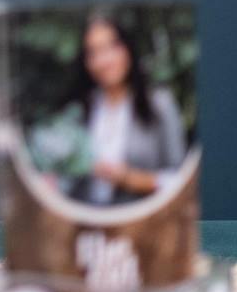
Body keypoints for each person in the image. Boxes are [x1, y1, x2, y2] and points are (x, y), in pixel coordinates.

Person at [60, 16, 187, 207]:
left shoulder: (159, 104)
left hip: (140, 224)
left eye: (111, 46)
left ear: (127, 49)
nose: (104, 60)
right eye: (93, 53)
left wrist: (129, 178)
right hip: (86, 224)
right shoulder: (80, 109)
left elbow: (180, 182)